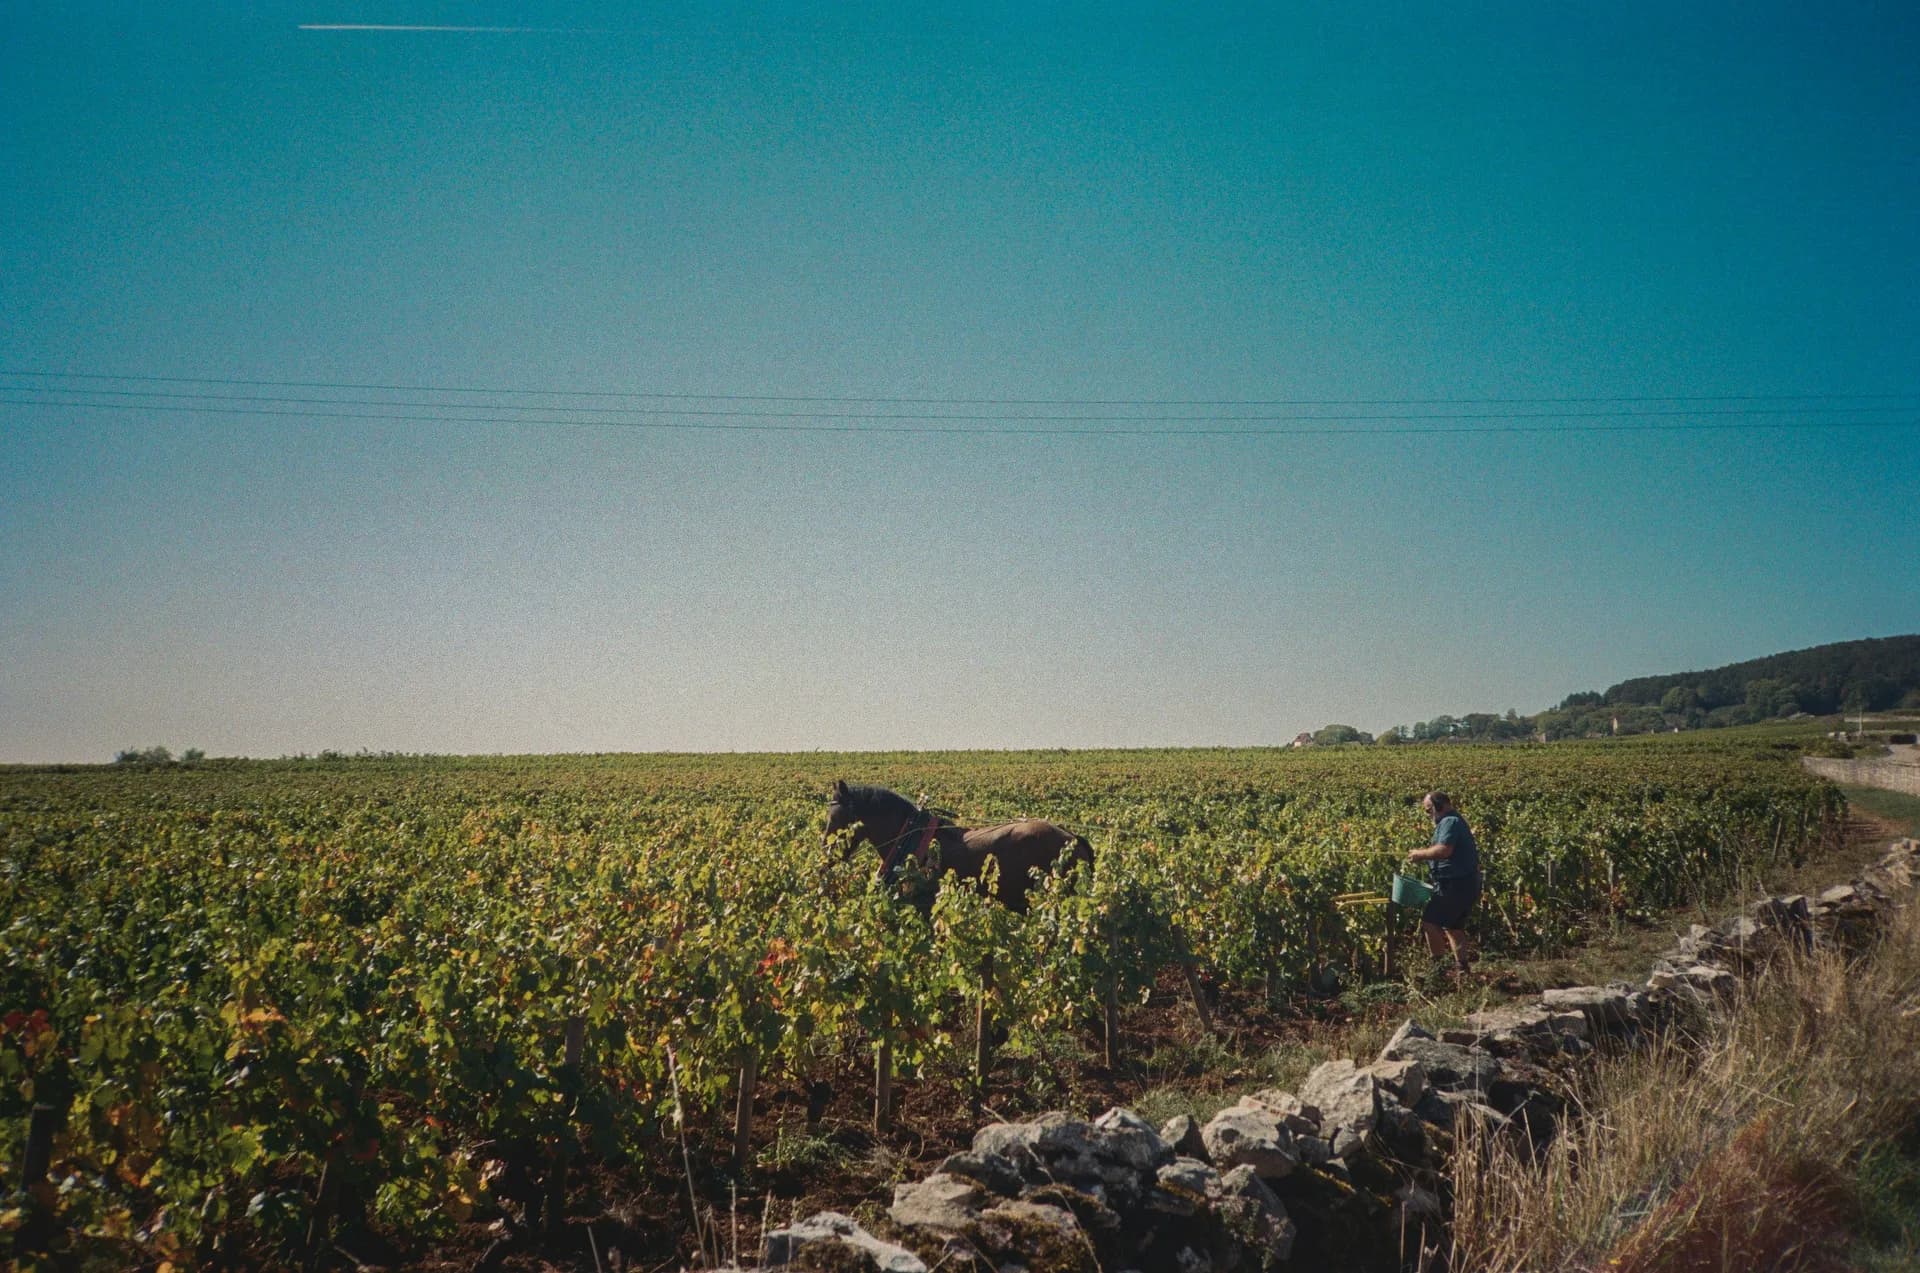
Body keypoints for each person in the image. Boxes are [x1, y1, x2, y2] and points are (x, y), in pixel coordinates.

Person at [1406, 790, 1480, 977]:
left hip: (1455, 884)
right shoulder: (1452, 821)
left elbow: (1444, 850)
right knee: (1454, 927)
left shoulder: (1449, 822)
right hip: (1465, 883)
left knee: (1430, 923)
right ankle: (1462, 970)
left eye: (1429, 810)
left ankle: (1437, 971)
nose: (1428, 814)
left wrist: (1419, 854)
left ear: (1440, 806)